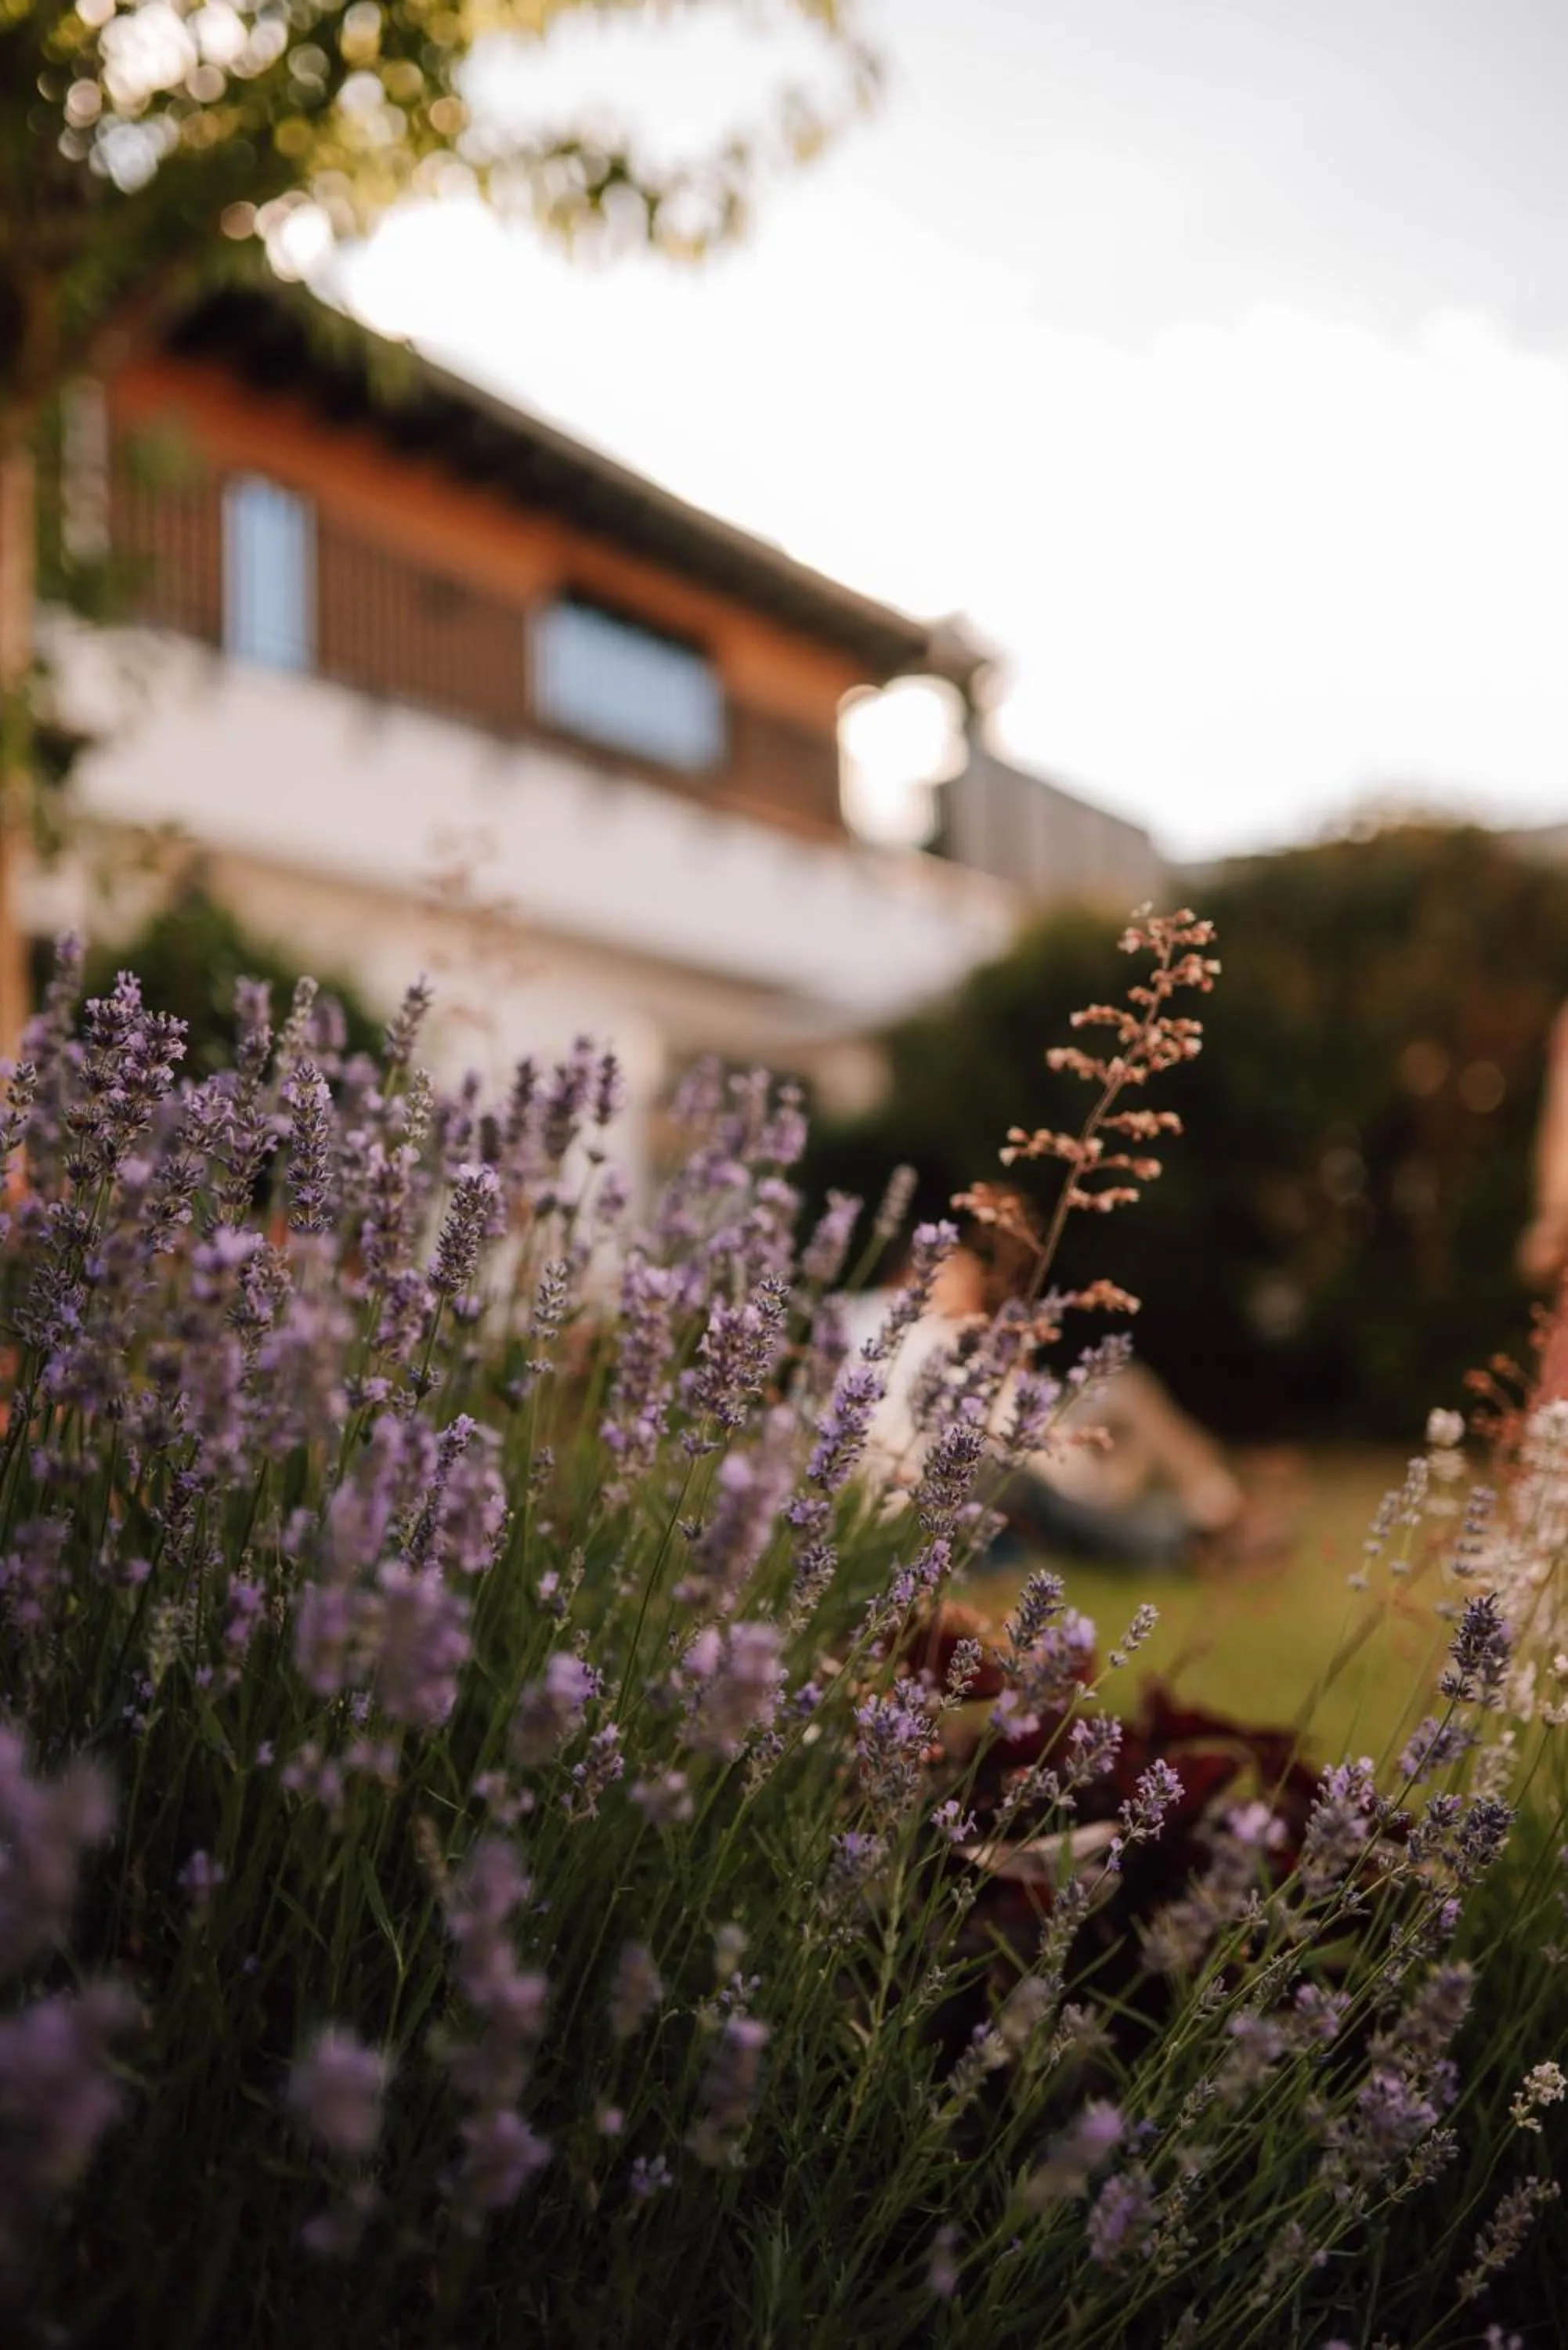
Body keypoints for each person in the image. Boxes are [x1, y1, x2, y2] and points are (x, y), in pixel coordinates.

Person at [843, 1217, 1247, 1571]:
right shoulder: (937, 1334)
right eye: (960, 1279)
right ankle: (1206, 1519)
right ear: (917, 1273)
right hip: (947, 1480)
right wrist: (1081, 1473)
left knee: (1123, 1417)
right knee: (1127, 1396)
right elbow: (1008, 1424)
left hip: (868, 1489)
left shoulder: (848, 1312)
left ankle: (1203, 1511)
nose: (972, 1294)